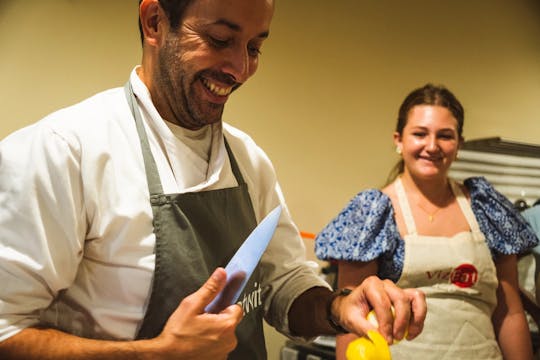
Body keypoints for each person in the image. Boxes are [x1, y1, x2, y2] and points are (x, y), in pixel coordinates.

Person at [0, 1, 427, 359]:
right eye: (220, 40)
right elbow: (6, 332)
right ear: (154, 23)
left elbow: (283, 285)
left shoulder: (247, 159)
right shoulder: (67, 151)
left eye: (255, 47)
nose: (240, 69)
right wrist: (156, 354)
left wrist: (337, 306)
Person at [315, 83, 539, 359]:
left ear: (459, 145)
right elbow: (352, 316)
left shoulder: (486, 207)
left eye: (445, 136)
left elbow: (510, 312)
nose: (432, 146)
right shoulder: (372, 213)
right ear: (398, 140)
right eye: (420, 134)